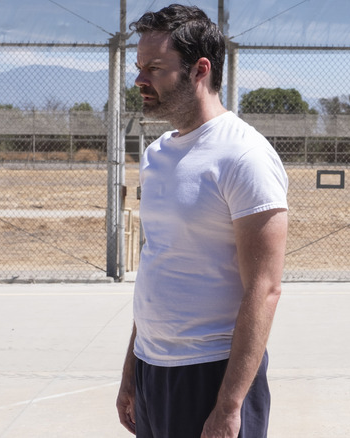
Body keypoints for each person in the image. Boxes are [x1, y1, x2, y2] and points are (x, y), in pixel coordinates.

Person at [116, 5, 289, 438]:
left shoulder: (244, 155)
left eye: (154, 68)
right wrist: (131, 370)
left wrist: (230, 405)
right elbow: (160, 262)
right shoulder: (156, 155)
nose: (139, 80)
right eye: (139, 67)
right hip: (153, 370)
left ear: (200, 70)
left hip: (211, 373)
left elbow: (264, 289)